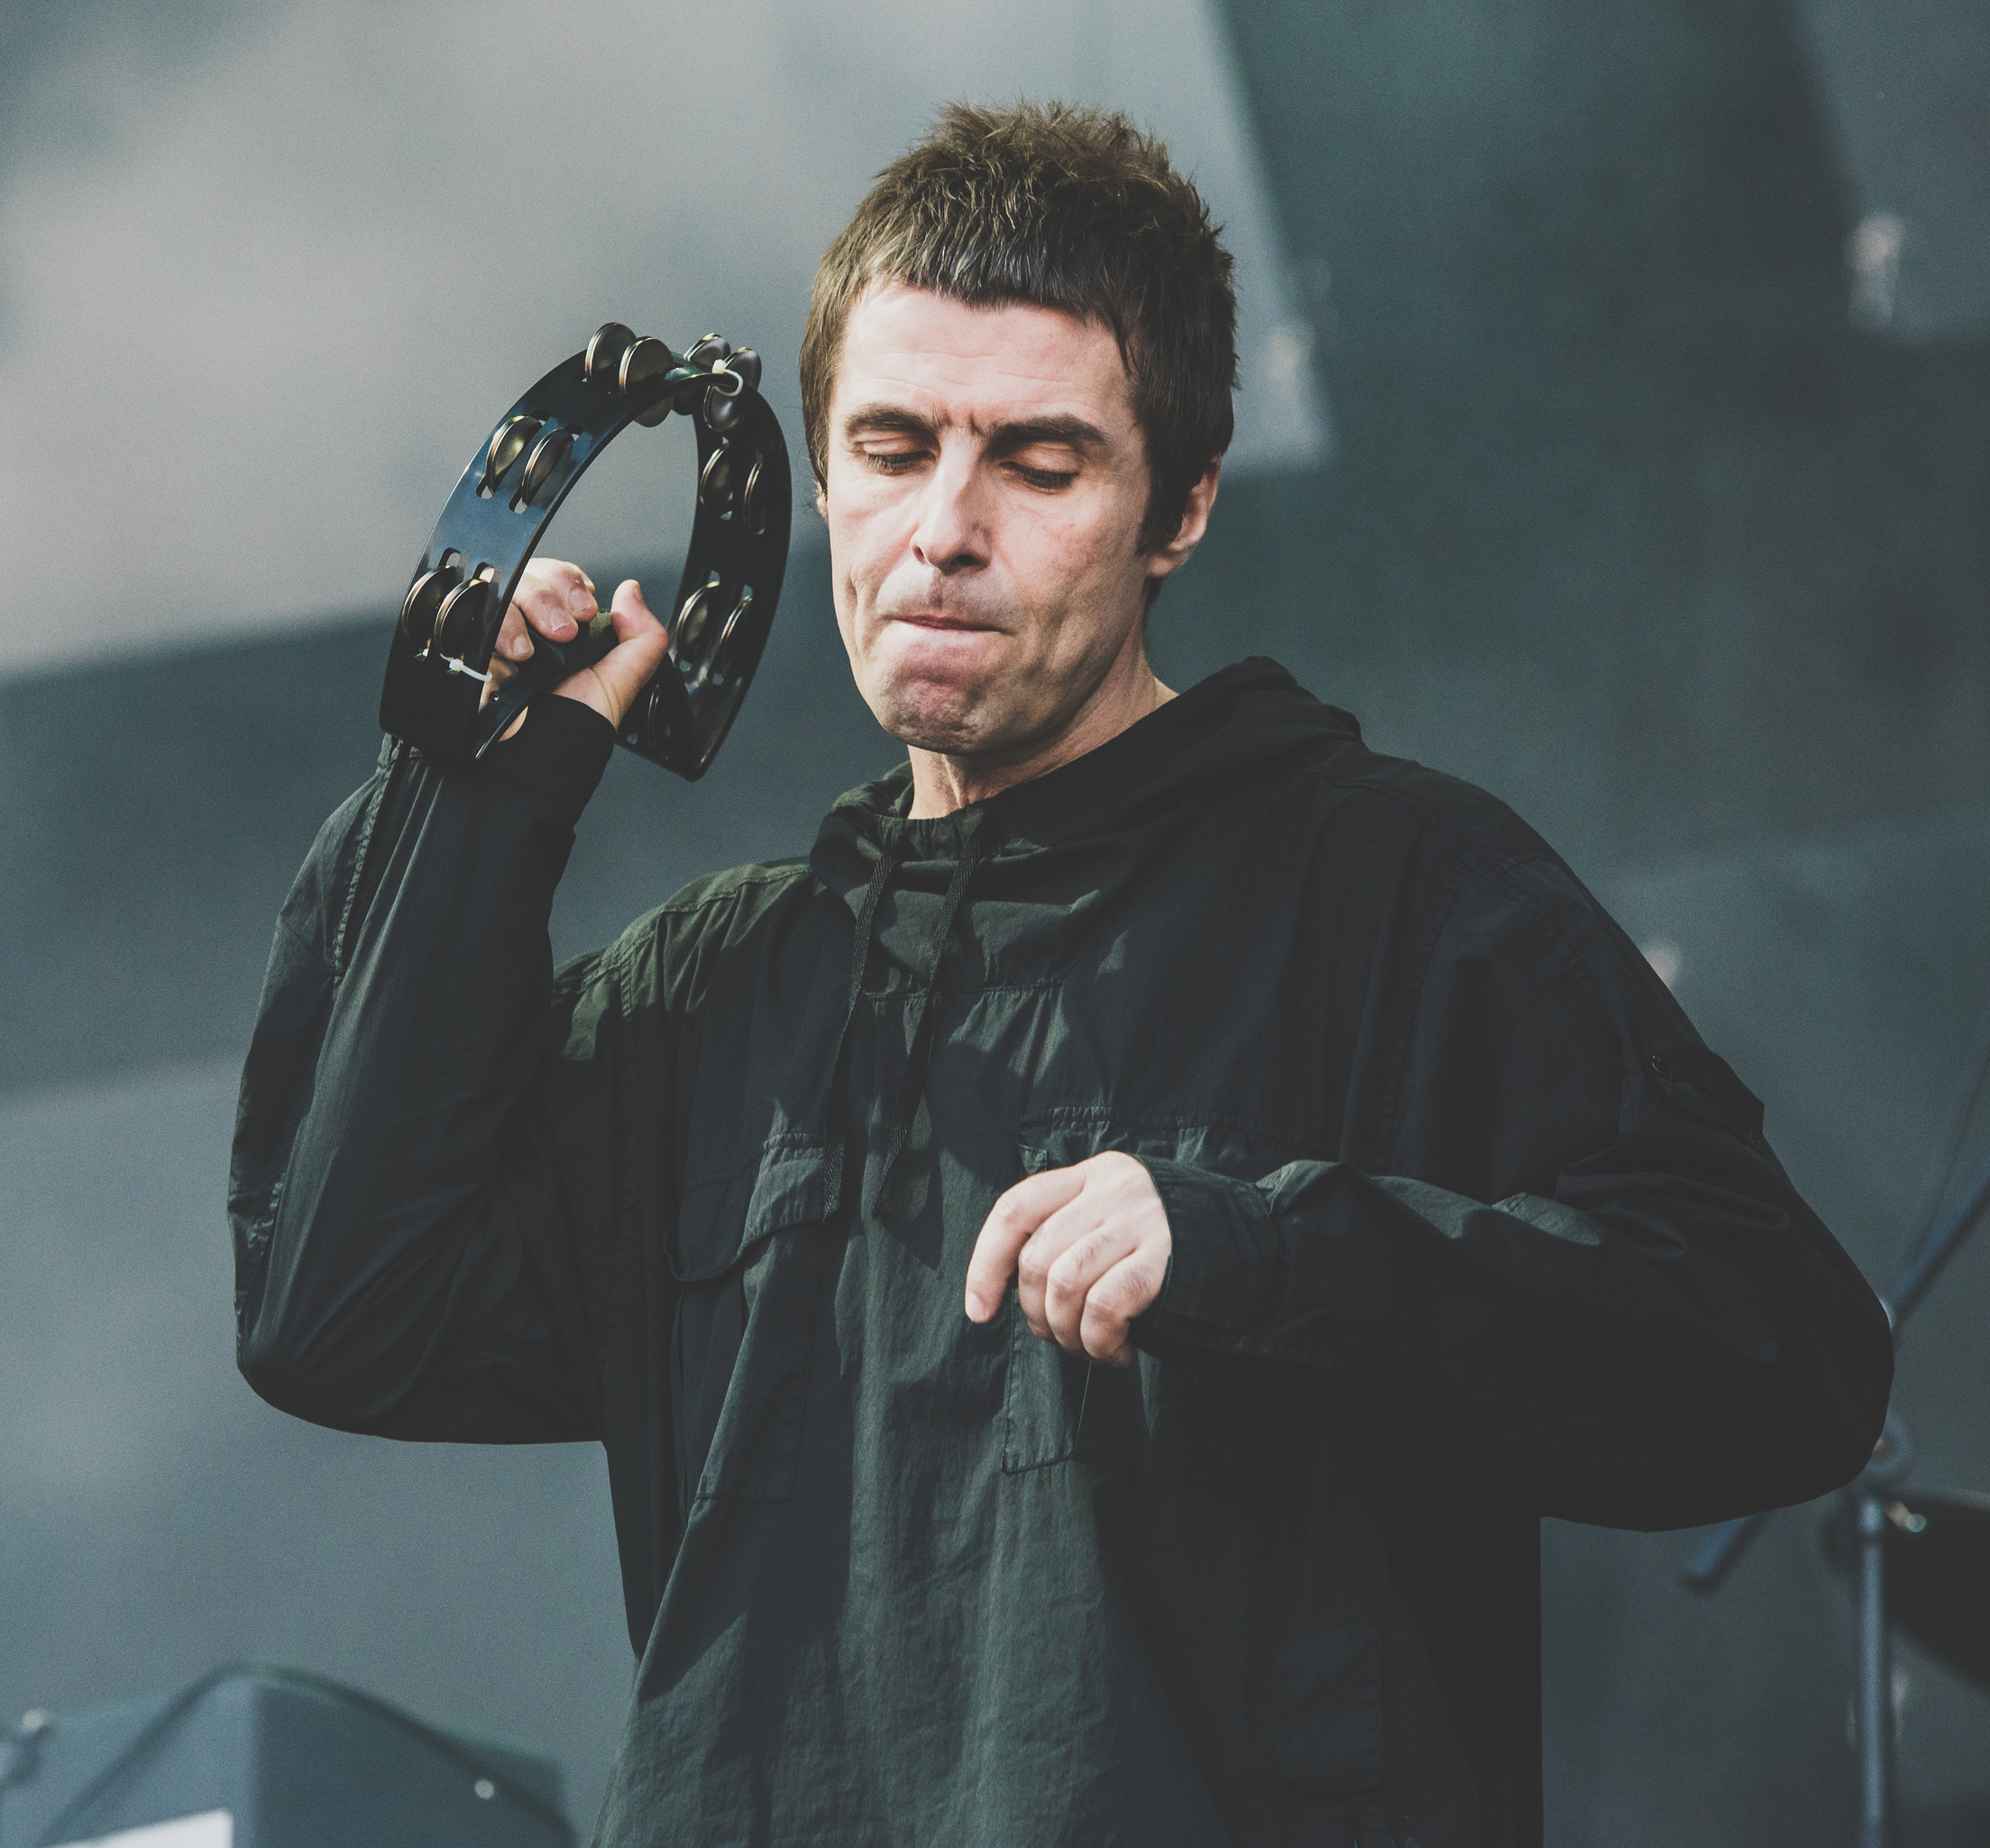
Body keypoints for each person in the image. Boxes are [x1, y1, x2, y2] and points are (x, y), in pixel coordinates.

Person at [231, 101, 1889, 1847]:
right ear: (818, 474)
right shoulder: (710, 992)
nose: (942, 529)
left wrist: (1264, 1242)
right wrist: (478, 799)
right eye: (887, 447)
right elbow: (343, 1312)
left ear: (1176, 509)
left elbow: (1779, 1350)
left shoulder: (1398, 888)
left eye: (1037, 462)